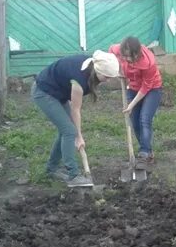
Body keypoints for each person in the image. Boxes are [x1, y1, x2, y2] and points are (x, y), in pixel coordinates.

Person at [31, 51, 120, 187]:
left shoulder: (93, 64)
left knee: (65, 131)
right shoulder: (79, 79)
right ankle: (73, 175)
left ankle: (51, 169)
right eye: (107, 77)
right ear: (98, 70)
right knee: (69, 131)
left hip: (58, 93)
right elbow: (75, 109)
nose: (108, 80)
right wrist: (79, 136)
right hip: (44, 92)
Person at [109, 36, 163, 165]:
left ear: (137, 53)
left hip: (152, 89)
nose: (127, 59)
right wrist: (118, 69)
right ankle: (147, 152)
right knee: (135, 121)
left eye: (129, 57)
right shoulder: (118, 50)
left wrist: (131, 105)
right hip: (133, 87)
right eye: (124, 56)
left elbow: (146, 87)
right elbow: (111, 52)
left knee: (144, 119)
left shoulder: (148, 62)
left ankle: (144, 151)